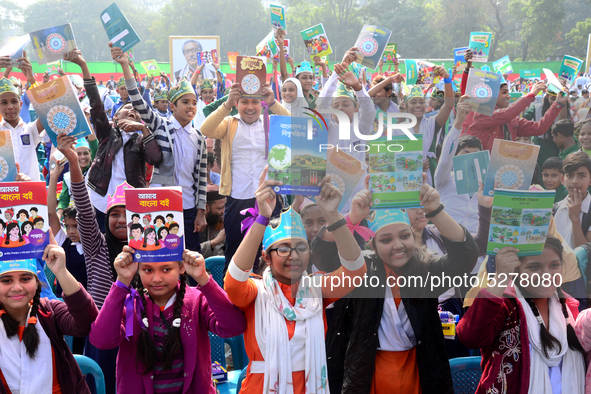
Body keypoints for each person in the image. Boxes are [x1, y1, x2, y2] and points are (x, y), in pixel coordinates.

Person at [318, 172, 479, 393]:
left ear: (413, 236)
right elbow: (322, 255)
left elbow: (464, 258)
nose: (398, 245)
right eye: (386, 240)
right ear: (373, 244)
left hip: (420, 372)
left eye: (404, 236)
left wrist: (435, 210)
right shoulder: (360, 271)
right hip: (368, 375)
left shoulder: (425, 270)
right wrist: (351, 218)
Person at [224, 168, 367, 393]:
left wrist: (333, 216)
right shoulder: (256, 291)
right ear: (266, 258)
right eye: (283, 249)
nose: (294, 256)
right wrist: (261, 218)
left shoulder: (316, 290)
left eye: (301, 248)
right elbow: (233, 282)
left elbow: (356, 271)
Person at [89, 246, 245, 393]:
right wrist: (121, 281)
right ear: (138, 269)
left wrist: (203, 278)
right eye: (148, 270)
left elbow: (234, 326)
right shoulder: (130, 305)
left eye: (166, 269)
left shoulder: (196, 301)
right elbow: (101, 340)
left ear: (181, 267)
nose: (157, 278)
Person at [457, 237, 586, 394]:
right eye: (534, 267)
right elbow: (471, 336)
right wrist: (500, 278)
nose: (546, 274)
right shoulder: (505, 307)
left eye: (554, 265)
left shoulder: (570, 308)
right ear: (516, 272)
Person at [116, 45, 208, 253]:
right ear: (172, 106)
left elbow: (201, 178)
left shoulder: (199, 138)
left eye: (194, 102)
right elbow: (138, 102)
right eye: (185, 102)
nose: (191, 106)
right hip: (160, 203)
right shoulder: (161, 124)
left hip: (188, 206)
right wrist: (125, 66)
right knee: (158, 252)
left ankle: (190, 288)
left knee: (190, 254)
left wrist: (201, 210)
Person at [200, 71, 290, 272]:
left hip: (269, 199)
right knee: (236, 255)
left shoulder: (270, 122)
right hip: (238, 198)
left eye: (255, 102)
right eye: (244, 102)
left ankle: (269, 299)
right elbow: (206, 129)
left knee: (272, 254)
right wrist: (226, 105)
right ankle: (234, 300)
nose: (250, 107)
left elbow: (292, 123)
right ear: (237, 105)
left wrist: (273, 103)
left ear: (261, 104)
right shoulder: (229, 124)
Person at [64, 49, 162, 234]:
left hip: (131, 201)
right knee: (102, 244)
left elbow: (155, 159)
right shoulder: (107, 133)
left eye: (136, 111)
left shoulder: (141, 139)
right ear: (116, 117)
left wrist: (143, 129)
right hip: (101, 198)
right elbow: (95, 103)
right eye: (128, 108)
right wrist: (84, 66)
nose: (133, 110)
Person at [0, 242, 99, 393]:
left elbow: (88, 323)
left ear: (37, 281)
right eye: (6, 281)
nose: (17, 287)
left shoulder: (49, 312)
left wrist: (61, 271)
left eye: (25, 279)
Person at [0, 69, 46, 181]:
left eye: (14, 102)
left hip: (31, 191)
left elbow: (47, 111)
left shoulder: (30, 129)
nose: (10, 107)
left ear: (21, 104)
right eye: (4, 103)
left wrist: (31, 78)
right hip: (5, 192)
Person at [553, 151, 591, 249]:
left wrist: (575, 219)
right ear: (562, 179)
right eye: (569, 175)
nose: (574, 181)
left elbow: (586, 256)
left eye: (582, 176)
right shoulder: (554, 209)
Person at [57, 136, 99, 219]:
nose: (83, 157)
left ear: (90, 155)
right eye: (78, 154)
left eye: (86, 153)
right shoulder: (67, 177)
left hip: (95, 215)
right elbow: (64, 200)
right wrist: (58, 217)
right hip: (76, 217)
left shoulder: (95, 169)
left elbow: (95, 146)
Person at [200, 186, 225, 259]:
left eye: (225, 207)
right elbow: (190, 252)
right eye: (220, 208)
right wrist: (213, 243)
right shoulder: (194, 224)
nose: (223, 211)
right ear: (206, 208)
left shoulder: (223, 222)